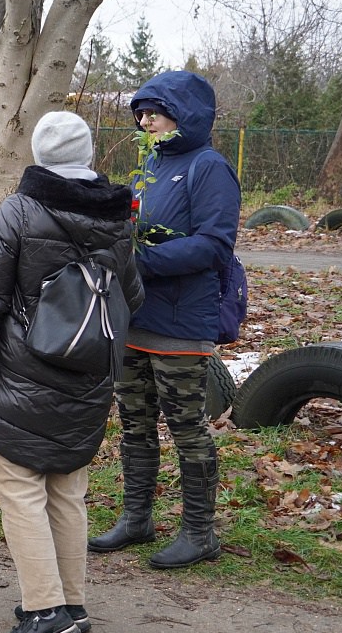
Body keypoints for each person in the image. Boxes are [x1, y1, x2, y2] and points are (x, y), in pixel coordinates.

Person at [0, 111, 143, 633]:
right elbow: (132, 297)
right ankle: (72, 604)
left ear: (41, 154)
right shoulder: (121, 216)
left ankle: (44, 609)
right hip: (92, 369)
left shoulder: (20, 212)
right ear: (89, 153)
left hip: (27, 372)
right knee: (68, 487)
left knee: (22, 486)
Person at [88, 71, 240, 569]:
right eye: (141, 113)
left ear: (185, 113)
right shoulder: (148, 166)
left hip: (181, 322)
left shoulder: (209, 167)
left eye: (155, 111)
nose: (145, 119)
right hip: (135, 317)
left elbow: (215, 245)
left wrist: (141, 261)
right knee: (134, 423)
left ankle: (200, 532)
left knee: (186, 426)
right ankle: (138, 518)